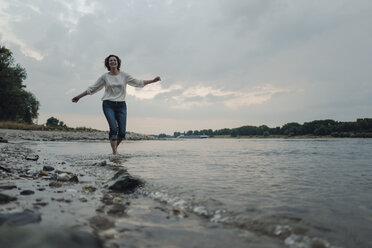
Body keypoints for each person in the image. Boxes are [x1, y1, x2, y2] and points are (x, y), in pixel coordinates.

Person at [72, 54, 161, 154]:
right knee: (113, 128)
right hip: (108, 104)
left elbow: (138, 82)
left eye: (115, 60)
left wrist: (153, 81)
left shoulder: (124, 76)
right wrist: (79, 97)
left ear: (118, 63)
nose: (113, 62)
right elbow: (92, 89)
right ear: (108, 63)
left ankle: (114, 151)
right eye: (110, 61)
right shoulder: (104, 77)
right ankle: (114, 153)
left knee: (122, 133)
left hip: (121, 106)